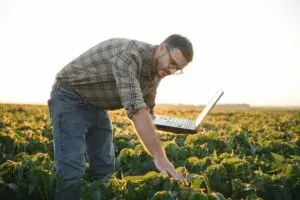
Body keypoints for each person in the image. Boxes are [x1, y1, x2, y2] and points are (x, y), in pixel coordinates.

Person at [48, 34, 193, 199]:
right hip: (69, 97)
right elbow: (137, 110)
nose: (171, 71)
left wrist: (178, 126)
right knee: (71, 171)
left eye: (177, 69)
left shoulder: (156, 72)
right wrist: (159, 157)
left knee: (105, 168)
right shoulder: (129, 55)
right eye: (172, 63)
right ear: (161, 48)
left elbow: (147, 111)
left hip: (97, 105)